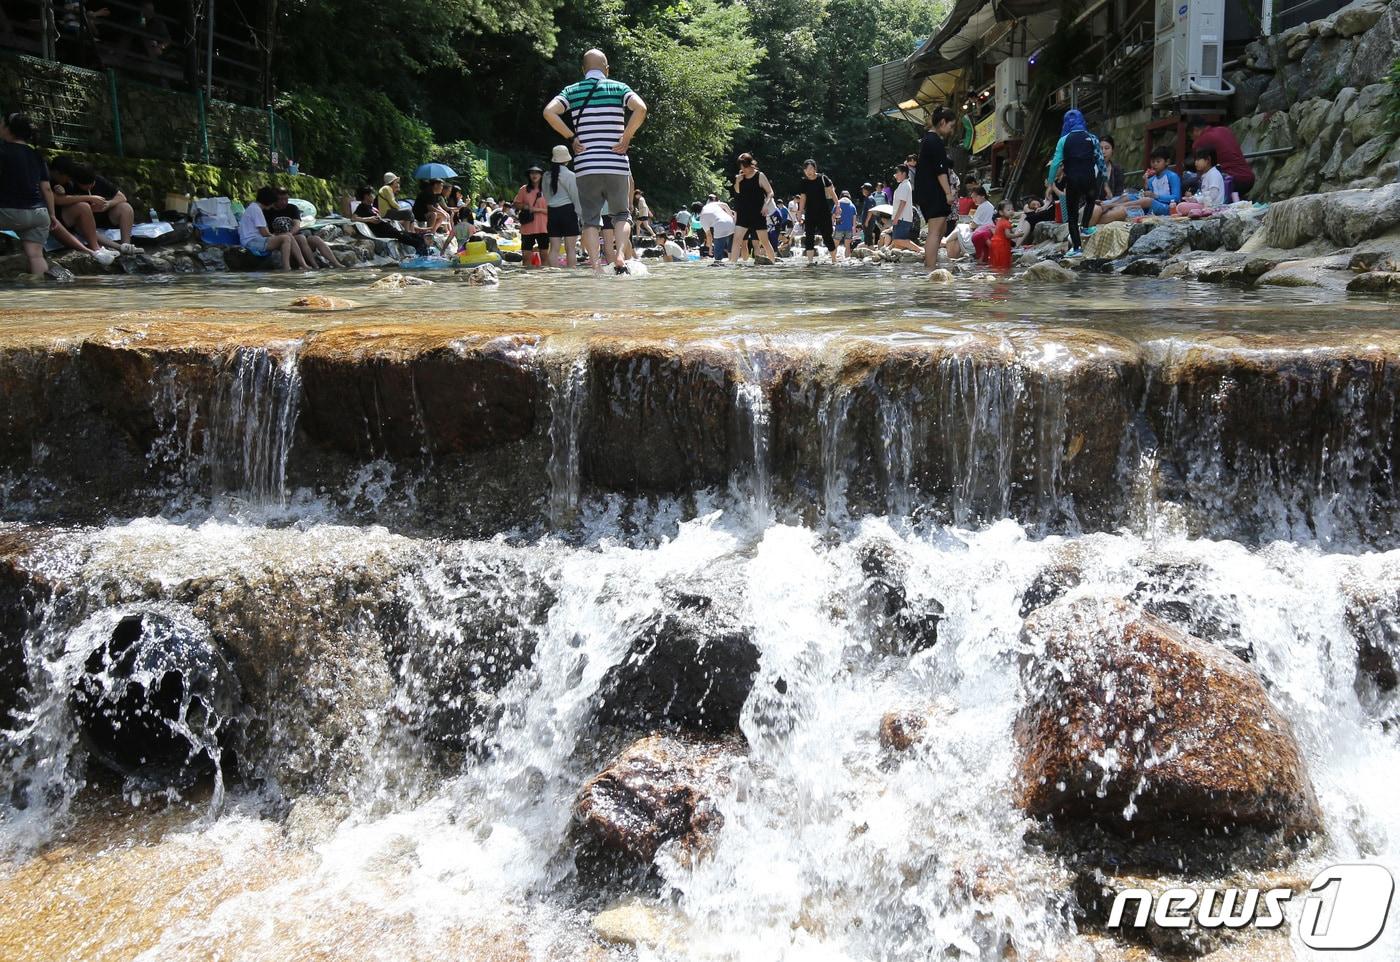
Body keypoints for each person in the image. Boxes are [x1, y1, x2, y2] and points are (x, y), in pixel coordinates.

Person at [543, 48, 648, 272]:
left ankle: (595, 266)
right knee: (621, 214)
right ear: (607, 69)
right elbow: (641, 108)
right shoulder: (619, 88)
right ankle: (620, 255)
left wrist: (571, 137)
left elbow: (549, 112)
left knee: (590, 219)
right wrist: (626, 137)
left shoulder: (572, 91)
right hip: (615, 162)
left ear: (583, 69)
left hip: (586, 164)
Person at [0, 113, 62, 278]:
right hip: (39, 215)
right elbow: (46, 189)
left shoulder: (2, 150)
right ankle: (40, 289)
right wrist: (52, 215)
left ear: (8, 129)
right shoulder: (36, 155)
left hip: (7, 212)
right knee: (36, 255)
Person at [1045, 108, 1104, 258]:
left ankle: (1077, 248)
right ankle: (1086, 227)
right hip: (1089, 179)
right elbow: (1100, 158)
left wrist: (1050, 182)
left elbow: (1055, 162)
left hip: (1073, 180)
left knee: (1072, 215)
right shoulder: (1092, 137)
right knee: (1091, 201)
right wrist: (1103, 176)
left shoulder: (1063, 140)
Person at [913, 106, 957, 269]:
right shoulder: (934, 141)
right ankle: (930, 268)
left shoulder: (928, 139)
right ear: (943, 122)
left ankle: (930, 263)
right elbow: (940, 171)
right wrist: (948, 193)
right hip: (934, 192)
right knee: (935, 231)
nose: (952, 130)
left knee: (940, 228)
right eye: (951, 126)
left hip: (926, 192)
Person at [1094, 146, 1182, 224]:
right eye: (1153, 162)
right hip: (1152, 206)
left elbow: (1176, 197)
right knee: (1129, 196)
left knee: (1148, 200)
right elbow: (1147, 194)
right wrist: (1146, 185)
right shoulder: (1151, 179)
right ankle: (1107, 203)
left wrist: (1156, 196)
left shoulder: (1172, 176)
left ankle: (1111, 206)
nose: (1154, 164)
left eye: (1158, 161)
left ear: (1167, 162)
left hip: (1168, 208)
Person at [268, 186, 344, 268]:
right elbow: (268, 232)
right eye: (281, 199)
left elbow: (297, 225)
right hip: (282, 239)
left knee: (315, 239)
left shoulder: (292, 208)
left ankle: (336, 264)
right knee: (300, 238)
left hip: (295, 236)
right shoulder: (269, 211)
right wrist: (286, 236)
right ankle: (313, 265)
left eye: (286, 199)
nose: (284, 202)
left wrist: (290, 233)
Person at [239, 186, 306, 270]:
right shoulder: (256, 210)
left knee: (288, 236)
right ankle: (287, 267)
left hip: (255, 240)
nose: (273, 205)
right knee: (285, 238)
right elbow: (264, 233)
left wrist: (276, 236)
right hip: (251, 242)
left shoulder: (254, 207)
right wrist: (275, 236)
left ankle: (302, 265)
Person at [349, 186, 429, 254]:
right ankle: (422, 255)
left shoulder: (371, 207)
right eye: (372, 194)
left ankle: (424, 251)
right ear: (366, 196)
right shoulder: (361, 207)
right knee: (410, 239)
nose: (373, 196)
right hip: (382, 231)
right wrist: (369, 219)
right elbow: (353, 218)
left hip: (387, 228)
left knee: (416, 237)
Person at [1187, 118, 1254, 198]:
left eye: (1191, 136)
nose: (1192, 139)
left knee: (1189, 184)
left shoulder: (1199, 142)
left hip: (1231, 181)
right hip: (1249, 178)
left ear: (1195, 130)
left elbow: (1201, 173)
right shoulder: (1224, 130)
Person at [730, 153, 776, 264]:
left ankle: (773, 263)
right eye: (741, 167)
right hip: (743, 213)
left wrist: (766, 205)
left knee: (764, 242)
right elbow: (737, 191)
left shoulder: (759, 175)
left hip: (758, 213)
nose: (743, 170)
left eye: (745, 167)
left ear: (751, 165)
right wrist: (737, 181)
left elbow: (770, 192)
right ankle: (732, 266)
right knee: (736, 240)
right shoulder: (741, 176)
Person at [545, 144, 582, 267]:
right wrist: (580, 214)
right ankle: (571, 273)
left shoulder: (546, 175)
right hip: (568, 211)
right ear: (567, 159)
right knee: (570, 249)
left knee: (554, 248)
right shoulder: (570, 175)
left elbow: (546, 195)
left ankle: (553, 273)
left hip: (552, 211)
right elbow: (575, 196)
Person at [797, 159, 838, 264]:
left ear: (815, 169)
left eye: (810, 168)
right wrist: (800, 212)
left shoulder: (823, 178)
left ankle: (834, 260)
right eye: (806, 169)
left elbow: (832, 193)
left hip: (824, 213)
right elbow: (803, 198)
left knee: (827, 236)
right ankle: (810, 262)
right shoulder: (804, 182)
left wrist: (838, 205)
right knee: (809, 237)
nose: (808, 171)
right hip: (810, 213)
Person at [512, 166, 550, 267]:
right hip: (527, 226)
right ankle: (527, 276)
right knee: (526, 256)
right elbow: (516, 204)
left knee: (544, 255)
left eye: (537, 173)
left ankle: (546, 276)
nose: (534, 175)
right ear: (529, 175)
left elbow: (552, 210)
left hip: (543, 227)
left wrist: (536, 210)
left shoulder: (547, 190)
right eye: (532, 173)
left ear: (541, 175)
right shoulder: (524, 189)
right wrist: (525, 206)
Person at [945, 185, 995, 260]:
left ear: (983, 196)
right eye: (972, 197)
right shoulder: (989, 205)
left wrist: (969, 225)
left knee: (959, 227)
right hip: (985, 232)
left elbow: (973, 225)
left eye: (975, 197)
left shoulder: (982, 207)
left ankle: (945, 241)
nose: (974, 199)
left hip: (980, 234)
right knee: (959, 232)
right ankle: (946, 242)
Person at [889, 164, 922, 256]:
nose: (895, 175)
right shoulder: (903, 185)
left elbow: (903, 203)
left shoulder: (905, 185)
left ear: (903, 173)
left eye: (897, 173)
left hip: (902, 218)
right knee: (898, 244)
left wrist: (896, 218)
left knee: (898, 240)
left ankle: (920, 250)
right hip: (901, 218)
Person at [698, 195, 737, 262]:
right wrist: (731, 217)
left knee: (718, 255)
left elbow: (709, 236)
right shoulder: (714, 204)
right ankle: (732, 261)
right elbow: (725, 205)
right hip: (730, 223)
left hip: (719, 226)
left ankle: (719, 262)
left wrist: (710, 248)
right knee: (730, 246)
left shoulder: (702, 217)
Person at [832, 189, 857, 257]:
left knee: (835, 245)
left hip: (839, 227)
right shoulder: (852, 206)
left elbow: (833, 216)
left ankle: (833, 259)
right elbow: (854, 220)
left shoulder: (837, 204)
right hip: (849, 228)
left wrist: (832, 225)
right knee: (847, 246)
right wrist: (854, 232)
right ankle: (847, 259)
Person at [1099, 136, 1125, 200]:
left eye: (1106, 148)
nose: (1103, 151)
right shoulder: (1091, 169)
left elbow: (1119, 193)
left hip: (1112, 204)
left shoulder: (1117, 169)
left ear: (1112, 150)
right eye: (1100, 148)